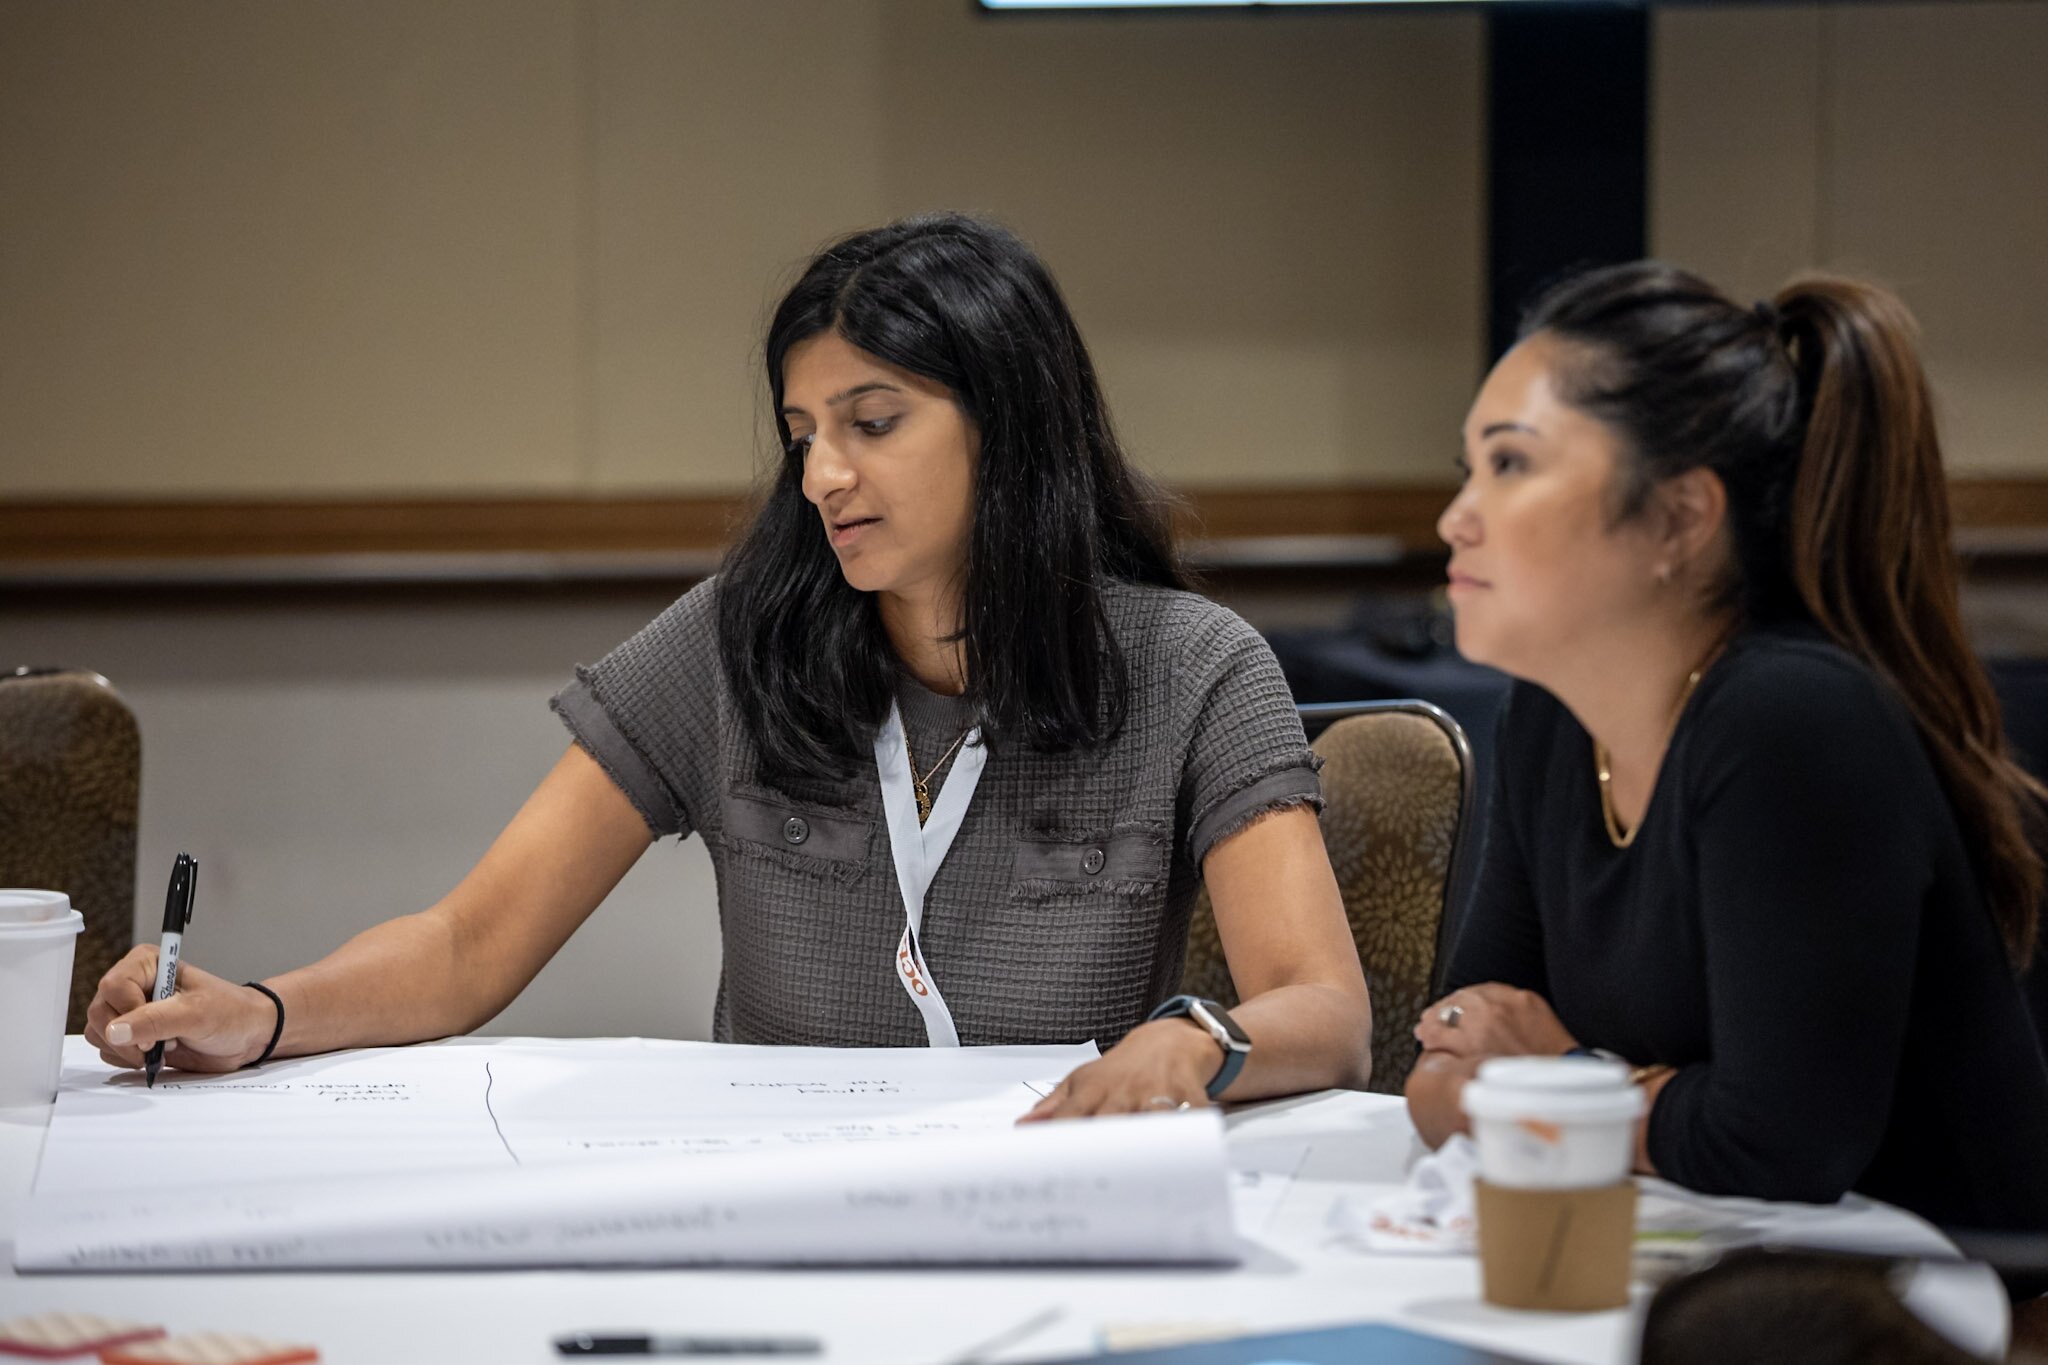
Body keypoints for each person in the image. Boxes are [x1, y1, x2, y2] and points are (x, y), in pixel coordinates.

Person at [83, 213, 1374, 1118]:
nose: (821, 475)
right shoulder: (733, 641)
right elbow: (470, 943)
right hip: (779, 1209)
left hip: (1048, 1191)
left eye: (873, 423)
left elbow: (1323, 1007)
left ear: (1012, 428)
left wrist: (1195, 1042)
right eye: (801, 433)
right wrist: (257, 1009)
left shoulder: (1194, 669)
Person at [1406, 262, 2048, 1246]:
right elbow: (1448, 1065)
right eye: (1466, 469)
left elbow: (1779, 1143)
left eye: (1509, 464)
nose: (1456, 517)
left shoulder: (1787, 720)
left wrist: (1566, 1077)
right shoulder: (1546, 717)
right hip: (1698, 1246)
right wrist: (1606, 1097)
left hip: (1937, 1301)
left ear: (1676, 518)